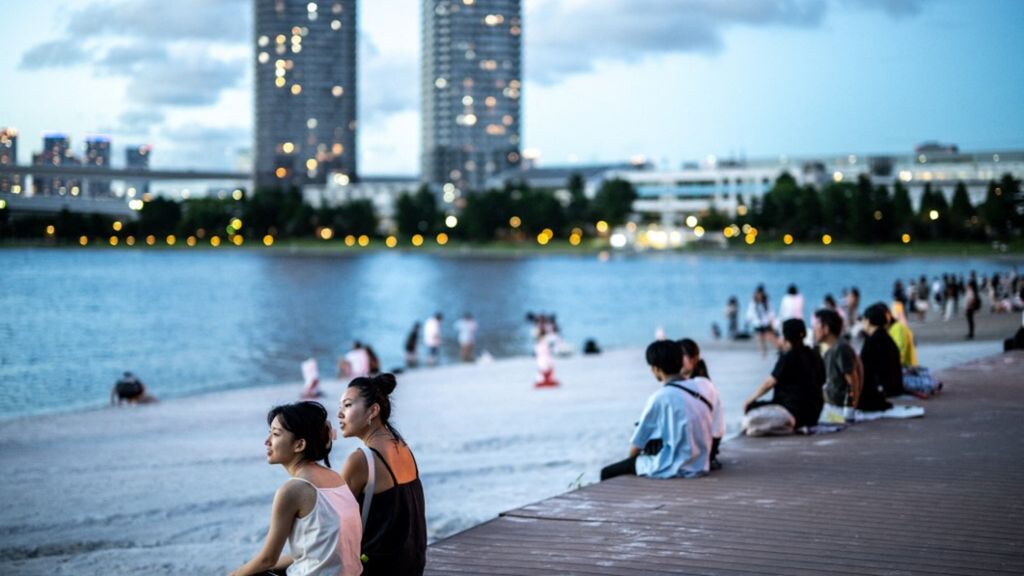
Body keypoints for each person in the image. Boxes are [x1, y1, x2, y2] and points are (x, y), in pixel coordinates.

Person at [230, 401, 362, 576]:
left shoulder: (293, 490)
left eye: (275, 434)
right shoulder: (335, 478)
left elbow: (267, 558)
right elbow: (319, 549)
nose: (267, 441)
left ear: (299, 445)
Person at [338, 374, 426, 576]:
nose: (339, 414)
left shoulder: (360, 460)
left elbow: (333, 528)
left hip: (377, 569)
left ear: (373, 410)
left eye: (348, 405)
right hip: (412, 566)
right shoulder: (402, 447)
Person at [600, 340, 713, 481]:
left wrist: (631, 463)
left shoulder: (660, 397)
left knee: (606, 472)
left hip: (676, 467)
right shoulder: (698, 388)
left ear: (656, 369)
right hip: (700, 464)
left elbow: (637, 443)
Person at [742, 319, 824, 430]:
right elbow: (822, 380)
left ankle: (787, 426)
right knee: (756, 409)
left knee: (750, 414)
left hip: (791, 411)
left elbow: (769, 383)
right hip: (814, 413)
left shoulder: (788, 357)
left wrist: (749, 400)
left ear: (785, 337)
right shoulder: (815, 355)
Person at [678, 338, 724, 470]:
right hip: (710, 446)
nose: (677, 361)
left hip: (702, 448)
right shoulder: (703, 382)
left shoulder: (696, 385)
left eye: (681, 356)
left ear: (694, 358)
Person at [813, 309, 861, 419]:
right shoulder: (833, 348)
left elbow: (853, 379)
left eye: (816, 326)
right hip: (829, 400)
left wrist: (853, 406)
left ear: (826, 329)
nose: (814, 329)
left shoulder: (840, 348)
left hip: (837, 405)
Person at [860, 303, 902, 404]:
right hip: (894, 387)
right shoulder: (886, 338)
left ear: (868, 321)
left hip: (883, 389)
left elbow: (864, 367)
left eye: (863, 319)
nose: (862, 322)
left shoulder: (873, 341)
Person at [746, 285, 777, 357]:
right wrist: (748, 320)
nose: (760, 295)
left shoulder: (766, 300)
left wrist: (772, 319)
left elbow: (770, 311)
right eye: (759, 293)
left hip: (766, 321)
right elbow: (750, 311)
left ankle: (778, 348)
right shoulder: (753, 301)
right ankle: (763, 351)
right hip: (758, 322)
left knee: (770, 336)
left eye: (761, 293)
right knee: (761, 337)